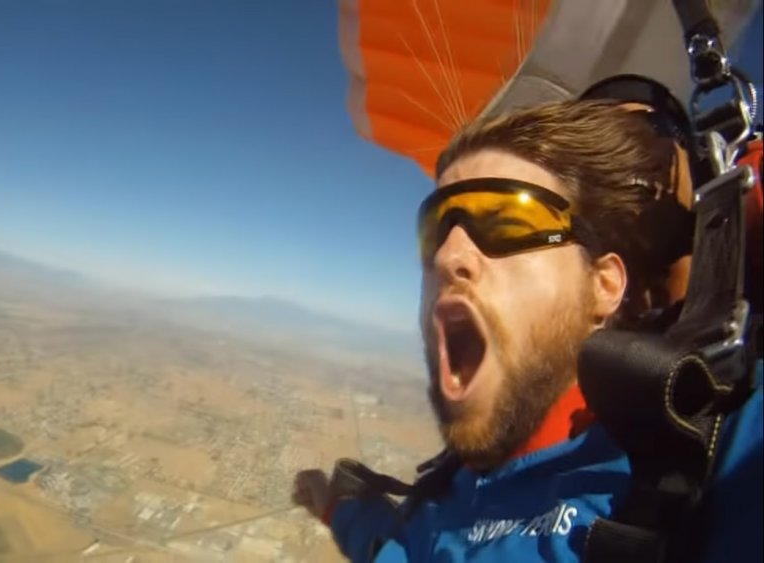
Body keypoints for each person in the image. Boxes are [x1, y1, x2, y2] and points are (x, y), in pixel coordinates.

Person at [291, 99, 763, 562]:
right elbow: (393, 549)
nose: (447, 256)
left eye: (510, 221)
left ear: (603, 285)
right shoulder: (451, 489)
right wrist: (337, 507)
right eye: (435, 229)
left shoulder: (703, 456)